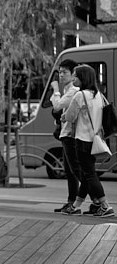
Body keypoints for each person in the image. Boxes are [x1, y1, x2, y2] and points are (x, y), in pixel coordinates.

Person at [62, 65, 115, 217]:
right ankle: (76, 206)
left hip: (82, 140)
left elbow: (70, 116)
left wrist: (63, 116)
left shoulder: (80, 95)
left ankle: (105, 206)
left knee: (90, 174)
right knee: (87, 174)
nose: (73, 79)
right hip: (96, 139)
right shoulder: (98, 95)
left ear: (83, 78)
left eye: (75, 76)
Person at [49, 59, 81, 214]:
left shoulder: (73, 91)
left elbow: (57, 106)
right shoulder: (69, 90)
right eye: (60, 72)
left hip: (71, 135)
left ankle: (98, 200)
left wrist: (55, 89)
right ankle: (72, 202)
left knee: (77, 170)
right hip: (66, 134)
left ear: (73, 74)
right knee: (70, 171)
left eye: (64, 72)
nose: (61, 75)